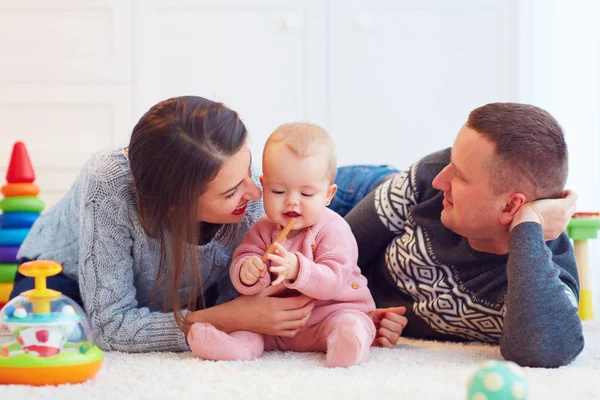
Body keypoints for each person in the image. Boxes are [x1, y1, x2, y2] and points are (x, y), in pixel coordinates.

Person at [10, 96, 405, 353]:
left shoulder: (249, 193)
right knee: (49, 338)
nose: (255, 193)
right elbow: (112, 326)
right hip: (69, 279)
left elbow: (294, 270)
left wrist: (353, 316)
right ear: (178, 204)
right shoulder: (108, 186)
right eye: (234, 189)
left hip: (185, 292)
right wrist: (228, 316)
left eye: (250, 170)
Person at [331, 102, 584, 368]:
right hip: (351, 196)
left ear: (510, 206)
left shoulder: (546, 273)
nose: (440, 180)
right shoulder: (427, 180)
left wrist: (528, 224)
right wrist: (351, 308)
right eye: (451, 161)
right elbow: (331, 260)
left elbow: (542, 350)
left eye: (460, 176)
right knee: (288, 171)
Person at [187, 123, 378, 367]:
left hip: (328, 314)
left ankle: (347, 344)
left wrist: (298, 270)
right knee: (250, 331)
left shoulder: (333, 229)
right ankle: (227, 347)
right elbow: (245, 259)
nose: (292, 202)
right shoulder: (263, 228)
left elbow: (334, 279)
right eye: (278, 191)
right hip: (272, 324)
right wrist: (248, 272)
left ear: (328, 195)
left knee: (350, 322)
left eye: (306, 195)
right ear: (264, 185)